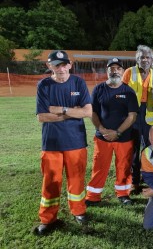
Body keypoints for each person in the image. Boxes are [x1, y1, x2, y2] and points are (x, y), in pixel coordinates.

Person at [34, 50, 92, 235]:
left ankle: (78, 211)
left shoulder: (78, 83)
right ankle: (48, 219)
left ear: (69, 65)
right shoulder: (44, 85)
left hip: (76, 142)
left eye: (63, 64)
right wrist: (72, 113)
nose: (60, 68)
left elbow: (87, 112)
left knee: (77, 180)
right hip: (52, 144)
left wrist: (60, 110)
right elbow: (42, 116)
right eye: (56, 65)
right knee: (51, 182)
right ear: (49, 66)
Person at [85, 58, 138, 206]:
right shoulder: (98, 89)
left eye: (117, 68)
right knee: (99, 166)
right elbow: (92, 112)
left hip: (124, 137)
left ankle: (123, 194)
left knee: (124, 166)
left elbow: (132, 115)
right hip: (103, 137)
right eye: (111, 68)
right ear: (107, 70)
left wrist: (118, 132)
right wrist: (102, 129)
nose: (114, 70)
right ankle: (93, 196)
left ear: (122, 71)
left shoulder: (128, 91)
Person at [122, 45, 153, 194]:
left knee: (151, 151)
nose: (145, 60)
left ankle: (150, 181)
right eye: (142, 57)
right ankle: (134, 182)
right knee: (134, 150)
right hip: (133, 116)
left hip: (149, 118)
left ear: (152, 60)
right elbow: (121, 92)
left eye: (148, 57)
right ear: (137, 59)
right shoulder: (129, 72)